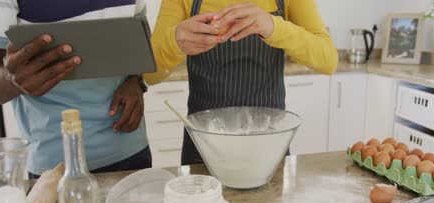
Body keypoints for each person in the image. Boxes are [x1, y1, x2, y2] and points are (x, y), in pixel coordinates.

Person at [144, 0, 339, 165]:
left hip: (269, 145)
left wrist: (273, 26)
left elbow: (328, 60)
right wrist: (174, 40)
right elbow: (149, 74)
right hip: (204, 147)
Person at [0, 0, 152, 177]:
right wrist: (11, 81)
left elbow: (138, 40)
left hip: (131, 151)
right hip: (54, 164)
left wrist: (136, 81)